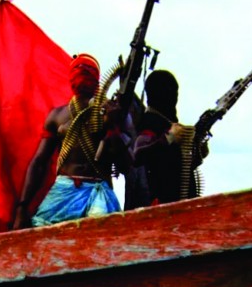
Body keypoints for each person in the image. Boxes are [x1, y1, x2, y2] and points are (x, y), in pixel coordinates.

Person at [12, 53, 131, 229]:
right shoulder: (57, 116)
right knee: (42, 232)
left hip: (99, 192)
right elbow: (39, 162)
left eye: (87, 70)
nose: (82, 73)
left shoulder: (113, 112)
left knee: (101, 235)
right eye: (79, 69)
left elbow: (127, 166)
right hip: (64, 190)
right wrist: (22, 208)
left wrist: (112, 128)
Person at [130, 70, 209, 206]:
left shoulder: (170, 124)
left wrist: (199, 151)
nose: (174, 96)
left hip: (184, 202)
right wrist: (168, 138)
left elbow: (177, 165)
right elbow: (138, 155)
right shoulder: (150, 123)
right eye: (168, 91)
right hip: (163, 205)